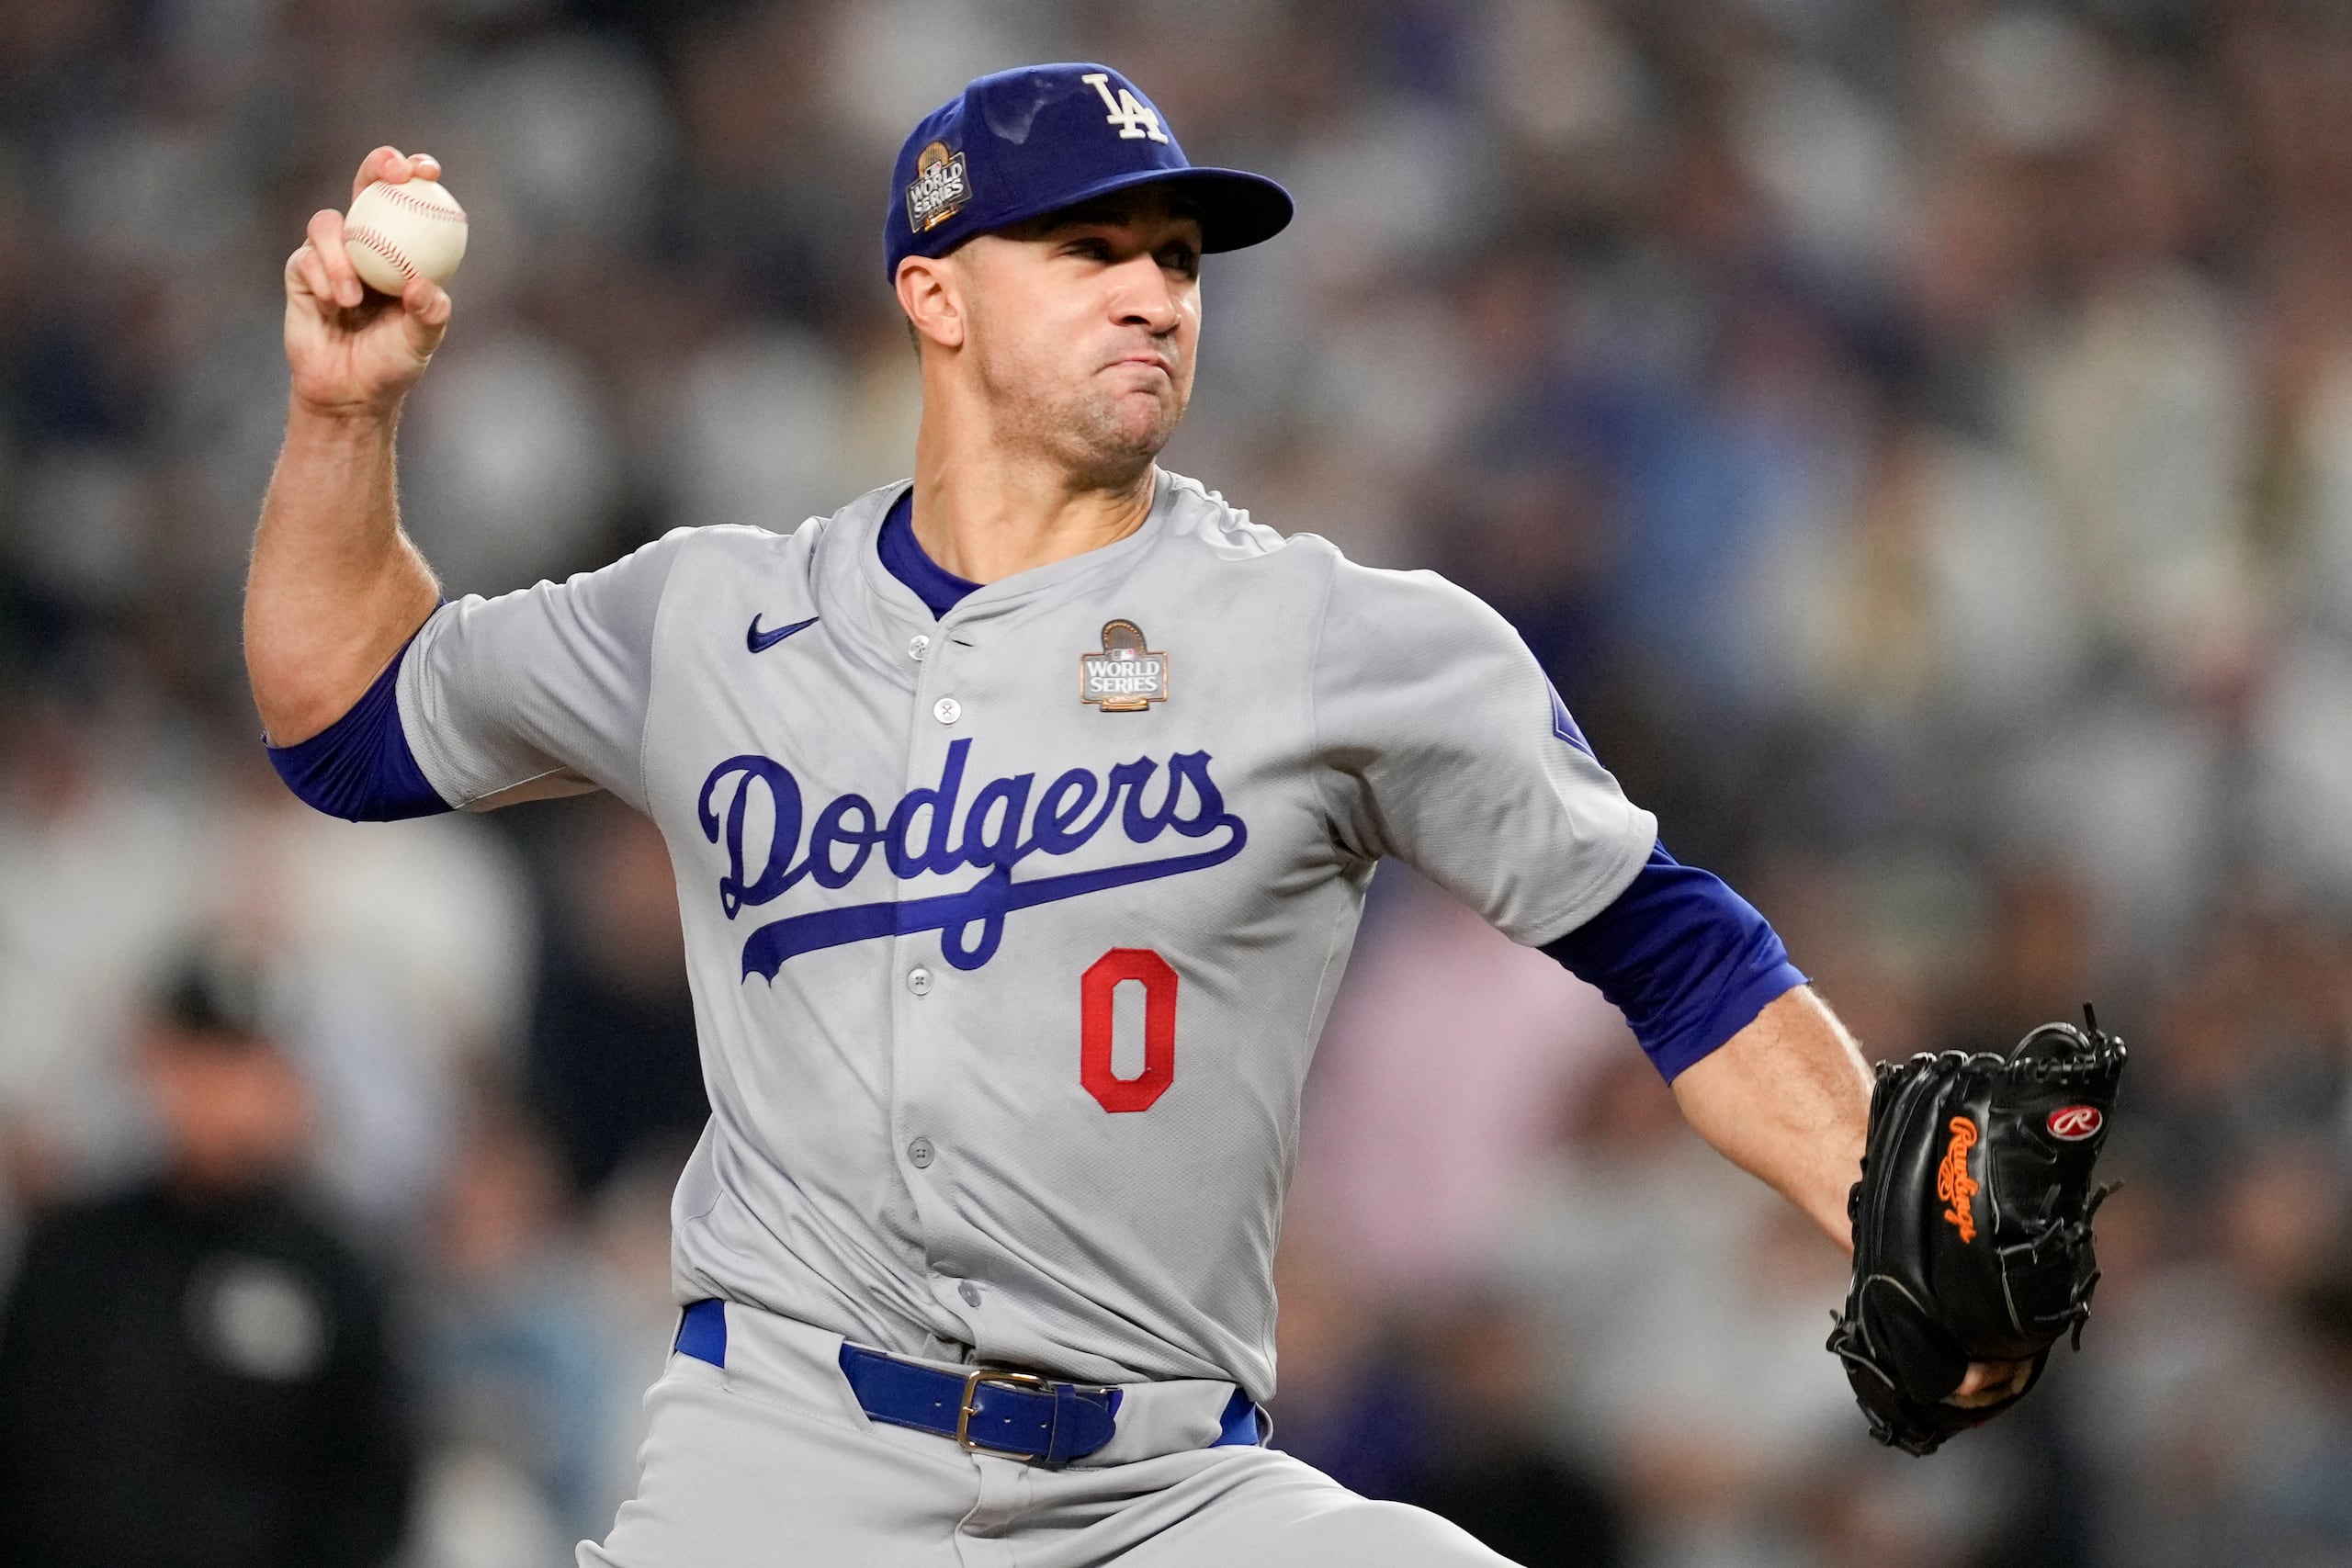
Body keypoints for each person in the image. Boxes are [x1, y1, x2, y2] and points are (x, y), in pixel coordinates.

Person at [247, 62, 2017, 1566]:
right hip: (778, 1462)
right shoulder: (710, 618)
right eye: (1088, 247)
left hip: (1163, 1486)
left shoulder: (1343, 640)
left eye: (1177, 256)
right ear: (933, 293)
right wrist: (345, 415)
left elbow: (1676, 946)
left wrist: (1889, 1197)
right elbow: (344, 720)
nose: (1155, 290)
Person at [0, 953, 413, 1568]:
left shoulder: (335, 1274)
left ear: (292, 1083)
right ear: (153, 1067)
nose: (222, 1094)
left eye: (245, 1064)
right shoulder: (73, 1250)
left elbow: (370, 1489)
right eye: (197, 1062)